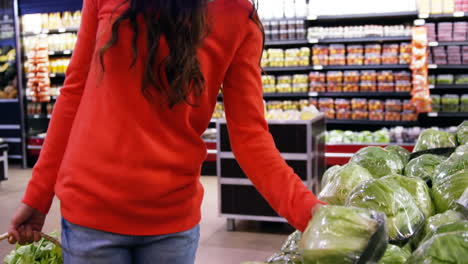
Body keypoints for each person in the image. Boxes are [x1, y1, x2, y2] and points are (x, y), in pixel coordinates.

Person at [8, 0, 324, 263]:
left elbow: (250, 138)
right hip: (93, 213)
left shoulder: (237, 15)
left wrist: (316, 218)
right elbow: (74, 93)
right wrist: (37, 195)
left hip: (170, 223)